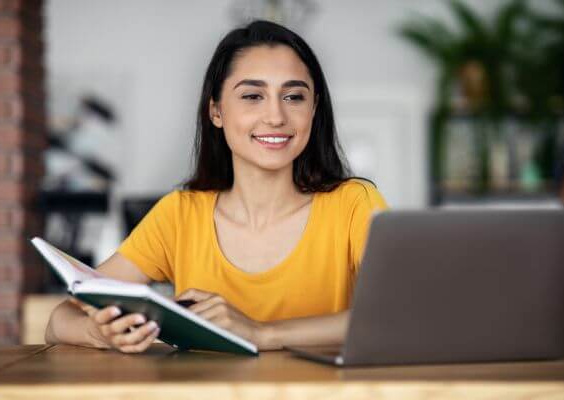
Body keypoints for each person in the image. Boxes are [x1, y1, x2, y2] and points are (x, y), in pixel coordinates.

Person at [45, 20, 388, 353]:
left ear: (314, 109)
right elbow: (60, 319)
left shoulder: (354, 205)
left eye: (294, 97)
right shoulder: (180, 215)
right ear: (216, 111)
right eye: (253, 96)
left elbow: (401, 314)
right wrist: (99, 332)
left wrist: (262, 333)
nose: (276, 116)